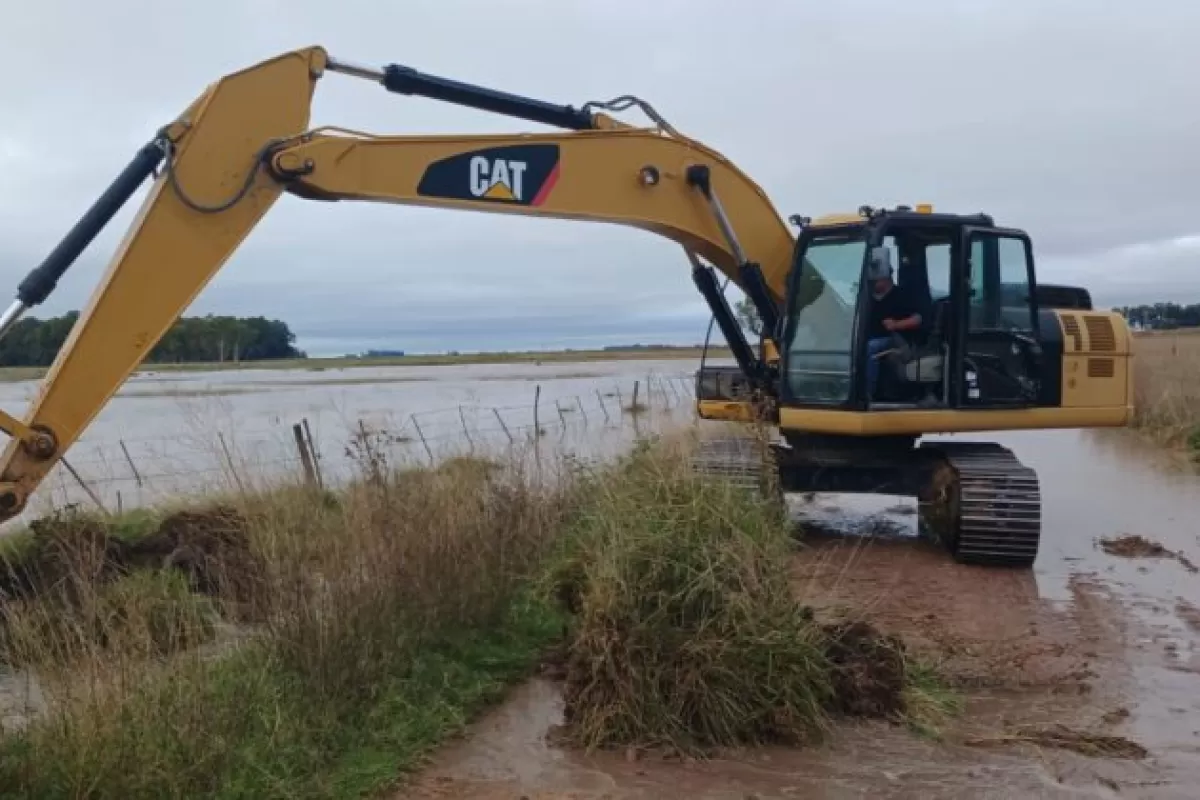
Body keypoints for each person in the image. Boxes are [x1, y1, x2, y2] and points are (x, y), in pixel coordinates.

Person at [864, 248, 925, 399]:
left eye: (876, 281)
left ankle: (866, 392)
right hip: (871, 336)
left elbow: (917, 319)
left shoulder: (901, 295)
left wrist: (896, 325)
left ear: (886, 278)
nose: (873, 284)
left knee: (869, 348)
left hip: (897, 341)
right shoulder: (868, 299)